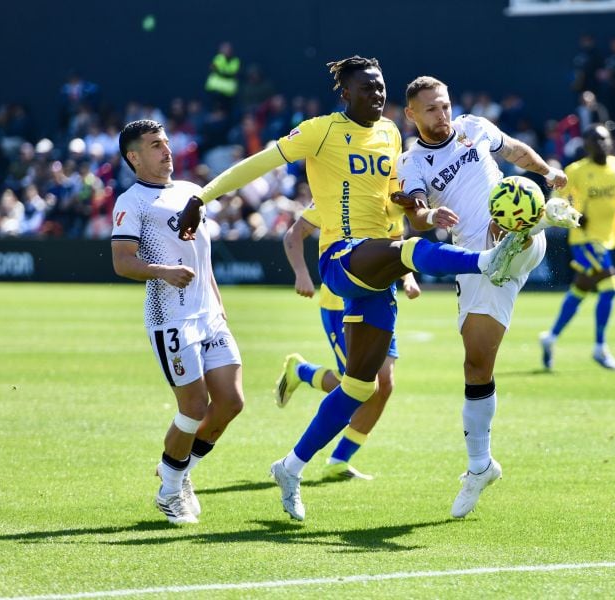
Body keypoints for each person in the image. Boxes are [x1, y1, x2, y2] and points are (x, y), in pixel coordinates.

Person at [176, 56, 529, 521]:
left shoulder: (391, 134)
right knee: (408, 252)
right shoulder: (319, 131)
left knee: (361, 387)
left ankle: (290, 467)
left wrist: (418, 211)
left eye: (381, 87)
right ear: (345, 93)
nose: (377, 94)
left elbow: (394, 201)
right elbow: (258, 163)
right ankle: (487, 260)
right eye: (367, 88)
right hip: (341, 256)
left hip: (375, 269)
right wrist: (202, 197)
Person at [394, 76, 579, 518]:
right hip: (475, 263)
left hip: (511, 244)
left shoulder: (474, 127)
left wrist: (546, 172)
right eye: (432, 109)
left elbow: (513, 150)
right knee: (476, 365)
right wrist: (428, 215)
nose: (442, 115)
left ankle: (531, 220)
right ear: (412, 115)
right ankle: (480, 466)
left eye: (445, 106)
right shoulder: (411, 162)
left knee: (514, 209)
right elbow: (416, 213)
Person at [110, 119, 245, 525]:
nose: (166, 151)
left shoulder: (191, 193)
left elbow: (202, 262)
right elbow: (122, 263)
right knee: (193, 406)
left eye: (167, 143)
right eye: (155, 145)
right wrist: (163, 271)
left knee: (231, 403)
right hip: (170, 319)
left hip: (210, 316)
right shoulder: (131, 203)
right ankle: (171, 490)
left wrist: (219, 306)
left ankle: (176, 468)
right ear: (134, 157)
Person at [276, 199, 420, 480]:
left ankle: (339, 459)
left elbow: (396, 242)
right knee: (359, 386)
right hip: (339, 305)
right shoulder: (338, 191)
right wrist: (301, 274)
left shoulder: (389, 194)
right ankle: (301, 371)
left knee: (385, 383)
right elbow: (294, 234)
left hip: (379, 300)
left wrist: (408, 278)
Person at [540, 124, 615, 371]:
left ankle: (550, 337)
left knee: (580, 290)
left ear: (611, 141)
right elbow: (556, 201)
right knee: (610, 286)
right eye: (594, 140)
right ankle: (599, 347)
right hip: (584, 240)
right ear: (585, 145)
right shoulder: (575, 171)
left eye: (603, 139)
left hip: (607, 240)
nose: (600, 143)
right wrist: (573, 214)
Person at [205, 42, 240, 111]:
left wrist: (220, 71)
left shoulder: (235, 60)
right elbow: (212, 68)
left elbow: (234, 73)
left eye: (228, 50)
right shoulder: (218, 58)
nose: (227, 51)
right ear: (220, 51)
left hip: (228, 93)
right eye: (224, 49)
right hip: (215, 91)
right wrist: (225, 73)